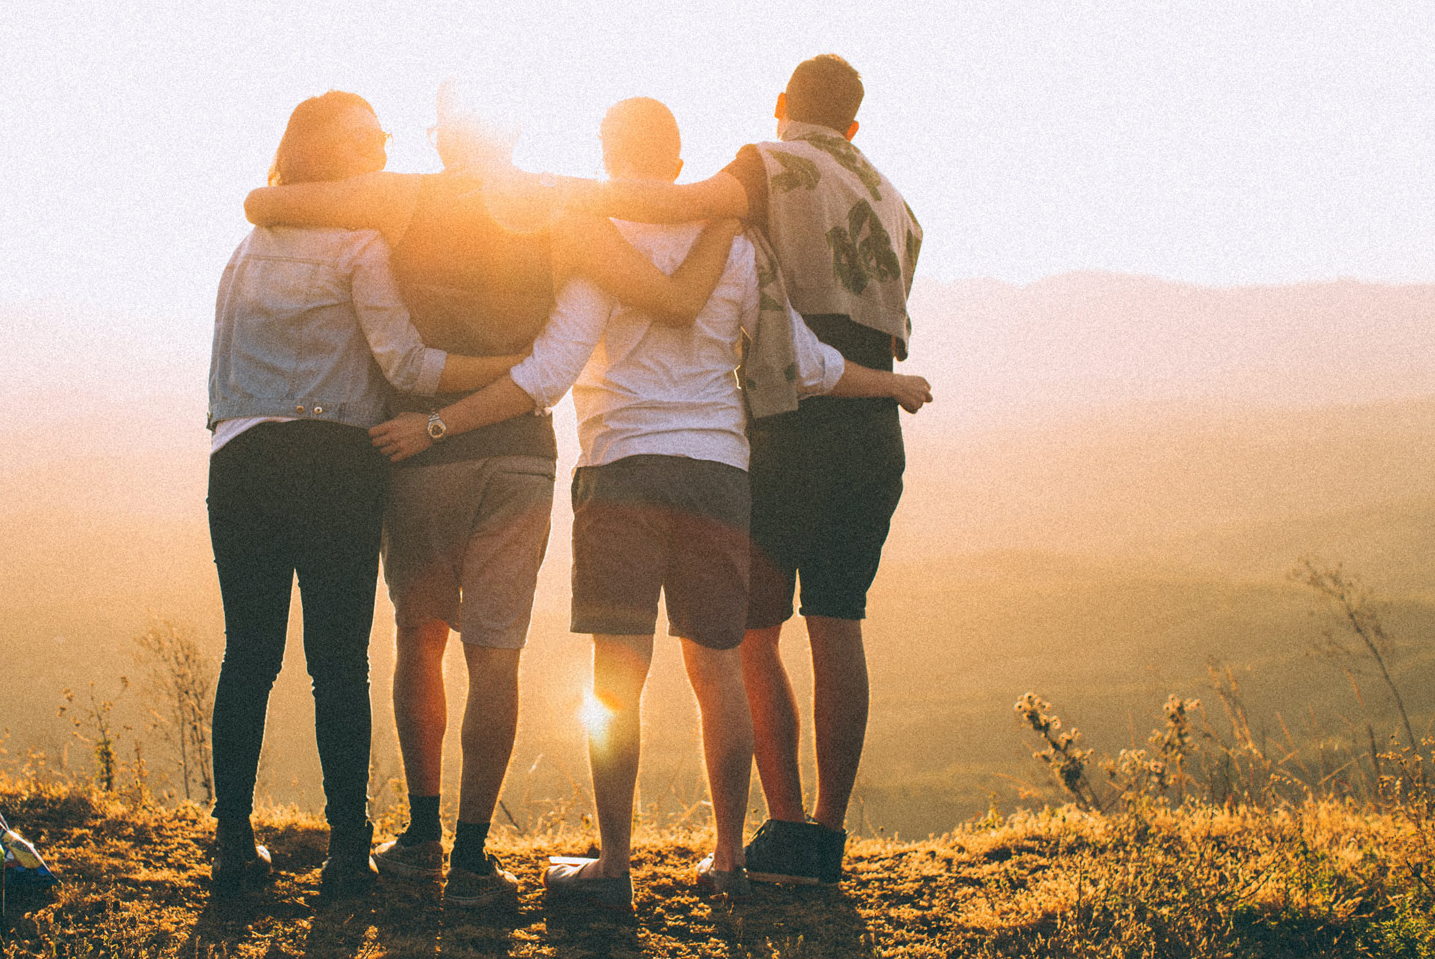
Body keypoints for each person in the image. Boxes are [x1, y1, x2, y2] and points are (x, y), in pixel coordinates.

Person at [370, 98, 930, 909]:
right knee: (718, 672)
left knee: (616, 679)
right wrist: (892, 384)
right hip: (718, 476)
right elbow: (805, 362)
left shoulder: (598, 241)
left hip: (621, 470)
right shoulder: (737, 245)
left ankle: (615, 865)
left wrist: (438, 423)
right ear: (677, 162)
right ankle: (731, 859)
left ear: (607, 155)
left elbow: (548, 374)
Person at [243, 82, 736, 906]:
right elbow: (672, 298)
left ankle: (422, 833)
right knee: (495, 654)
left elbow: (267, 203)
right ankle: (473, 857)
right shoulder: (559, 211)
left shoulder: (400, 200)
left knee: (420, 637)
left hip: (419, 449)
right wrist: (728, 215)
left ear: (443, 141)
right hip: (519, 456)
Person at [568, 56, 928, 886]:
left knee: (750, 636)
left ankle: (782, 827)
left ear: (780, 106)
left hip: (787, 421)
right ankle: (824, 842)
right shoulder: (897, 201)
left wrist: (558, 196)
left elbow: (680, 205)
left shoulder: (767, 165)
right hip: (869, 424)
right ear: (856, 124)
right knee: (839, 625)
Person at [204, 91, 526, 900]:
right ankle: (349, 849)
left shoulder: (246, 249)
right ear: (328, 154)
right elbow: (409, 369)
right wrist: (511, 371)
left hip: (239, 460)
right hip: (334, 464)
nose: (382, 149)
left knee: (248, 656)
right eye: (367, 139)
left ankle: (233, 845)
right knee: (337, 664)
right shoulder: (359, 245)